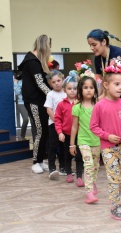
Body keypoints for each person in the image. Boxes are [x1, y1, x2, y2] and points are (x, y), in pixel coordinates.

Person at [87, 29, 121, 183]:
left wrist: (104, 97)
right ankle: (116, 163)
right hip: (111, 92)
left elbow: (119, 80)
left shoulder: (119, 54)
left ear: (104, 42)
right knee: (111, 127)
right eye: (90, 45)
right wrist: (98, 98)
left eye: (94, 44)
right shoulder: (98, 59)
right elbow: (100, 81)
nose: (92, 48)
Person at [90, 61, 121, 220]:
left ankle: (114, 196)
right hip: (107, 148)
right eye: (116, 84)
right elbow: (93, 127)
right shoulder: (99, 106)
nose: (120, 87)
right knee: (113, 177)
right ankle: (115, 205)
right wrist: (107, 136)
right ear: (106, 85)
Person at [18, 34, 52, 174]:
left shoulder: (35, 61)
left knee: (44, 130)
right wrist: (53, 95)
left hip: (40, 101)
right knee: (39, 131)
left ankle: (41, 159)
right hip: (34, 101)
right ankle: (35, 161)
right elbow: (39, 83)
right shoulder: (32, 62)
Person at [70, 76, 100, 203]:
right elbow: (74, 127)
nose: (88, 90)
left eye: (91, 87)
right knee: (88, 165)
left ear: (95, 90)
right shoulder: (77, 107)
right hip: (83, 141)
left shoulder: (99, 105)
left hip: (97, 141)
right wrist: (72, 144)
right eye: (85, 87)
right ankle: (88, 192)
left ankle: (92, 182)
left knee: (95, 166)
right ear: (80, 90)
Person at [54, 75, 84, 186]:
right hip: (66, 135)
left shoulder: (81, 104)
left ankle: (80, 177)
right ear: (64, 90)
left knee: (79, 156)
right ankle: (69, 174)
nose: (72, 91)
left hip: (80, 135)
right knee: (67, 155)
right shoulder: (61, 104)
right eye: (69, 88)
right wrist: (60, 132)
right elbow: (57, 119)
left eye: (74, 88)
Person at [44, 70, 67, 180]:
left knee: (63, 147)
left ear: (63, 80)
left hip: (65, 125)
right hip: (53, 124)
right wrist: (57, 122)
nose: (57, 83)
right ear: (50, 84)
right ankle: (52, 168)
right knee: (53, 146)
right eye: (54, 82)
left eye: (59, 80)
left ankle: (63, 167)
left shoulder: (67, 93)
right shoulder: (50, 94)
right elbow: (49, 109)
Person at [14, 74, 36, 140]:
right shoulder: (19, 82)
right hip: (22, 103)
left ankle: (35, 139)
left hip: (31, 103)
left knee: (33, 121)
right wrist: (15, 83)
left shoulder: (31, 82)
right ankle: (22, 136)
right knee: (26, 119)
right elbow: (17, 92)